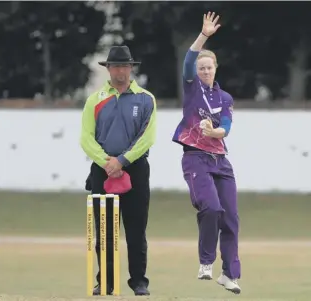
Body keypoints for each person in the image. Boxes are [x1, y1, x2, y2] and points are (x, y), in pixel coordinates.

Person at [172, 12, 241, 294]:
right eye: (202, 68)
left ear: (216, 69)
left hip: (220, 160)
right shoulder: (192, 89)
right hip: (195, 157)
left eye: (209, 67)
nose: (205, 71)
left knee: (231, 217)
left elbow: (226, 125)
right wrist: (204, 36)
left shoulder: (224, 98)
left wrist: (217, 133)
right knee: (211, 208)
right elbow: (189, 60)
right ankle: (205, 262)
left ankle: (230, 274)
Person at [80, 45, 157, 296]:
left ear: (131, 68)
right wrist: (107, 162)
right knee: (105, 232)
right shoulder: (96, 99)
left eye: (125, 66)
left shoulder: (145, 98)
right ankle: (106, 281)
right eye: (115, 66)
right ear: (108, 69)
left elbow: (147, 137)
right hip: (103, 170)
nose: (120, 70)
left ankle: (139, 282)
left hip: (135, 169)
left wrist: (122, 161)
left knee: (136, 230)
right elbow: (86, 138)